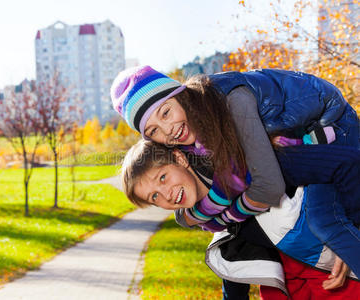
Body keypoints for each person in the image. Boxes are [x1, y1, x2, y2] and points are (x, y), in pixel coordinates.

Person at [110, 65, 360, 276]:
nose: (168, 130)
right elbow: (198, 190)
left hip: (332, 124)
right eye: (153, 131)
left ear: (181, 94)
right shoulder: (191, 140)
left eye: (166, 112)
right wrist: (187, 216)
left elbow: (268, 188)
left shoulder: (230, 102)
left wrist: (215, 217)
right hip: (300, 142)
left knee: (326, 222)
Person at [121, 139, 360, 299]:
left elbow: (338, 172)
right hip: (290, 283)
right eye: (154, 196)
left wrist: (349, 239)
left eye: (163, 177)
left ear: (180, 159)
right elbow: (235, 273)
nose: (166, 194)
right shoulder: (218, 223)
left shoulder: (259, 170)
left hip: (338, 272)